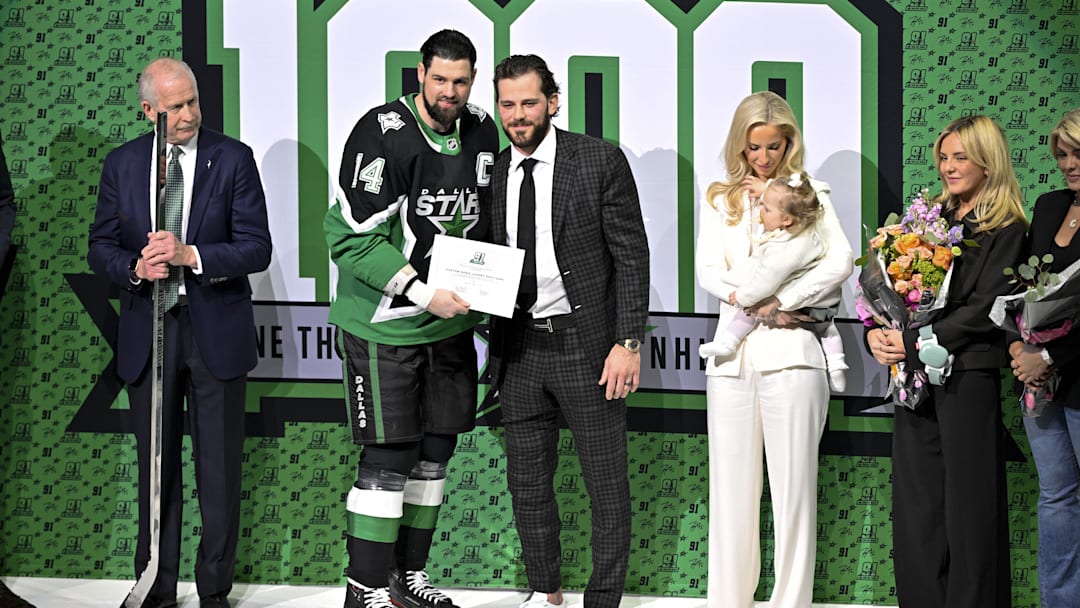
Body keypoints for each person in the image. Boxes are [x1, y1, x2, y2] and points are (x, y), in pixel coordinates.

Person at [87, 58, 272, 608]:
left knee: (218, 474)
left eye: (192, 101)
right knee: (157, 471)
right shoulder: (122, 165)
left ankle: (215, 590)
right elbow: (100, 248)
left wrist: (192, 255)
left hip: (214, 329)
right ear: (149, 110)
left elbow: (256, 247)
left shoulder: (232, 158)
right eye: (175, 107)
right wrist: (134, 269)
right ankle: (156, 587)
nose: (189, 114)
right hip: (151, 333)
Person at [323, 29, 498, 608]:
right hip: (383, 326)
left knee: (435, 451)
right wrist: (422, 293)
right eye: (440, 79)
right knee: (388, 455)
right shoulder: (381, 133)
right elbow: (348, 240)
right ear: (420, 73)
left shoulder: (480, 131)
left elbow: (484, 228)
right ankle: (364, 587)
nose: (450, 92)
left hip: (448, 328)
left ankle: (407, 577)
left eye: (462, 81)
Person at [484, 54, 648, 608]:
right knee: (527, 486)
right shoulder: (490, 172)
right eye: (508, 104)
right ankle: (544, 592)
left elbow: (632, 258)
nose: (518, 115)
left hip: (589, 347)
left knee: (606, 487)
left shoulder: (598, 160)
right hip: (520, 347)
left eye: (529, 103)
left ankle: (603, 600)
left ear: (552, 102)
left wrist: (628, 344)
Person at [695, 90, 852, 608]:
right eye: (754, 147)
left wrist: (783, 302)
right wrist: (753, 300)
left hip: (795, 358)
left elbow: (840, 263)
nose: (763, 158)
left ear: (790, 143)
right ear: (739, 144)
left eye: (774, 147)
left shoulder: (811, 194)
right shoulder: (720, 199)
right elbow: (707, 272)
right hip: (731, 361)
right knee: (731, 497)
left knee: (794, 498)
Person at [867, 114, 1026, 607]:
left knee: (970, 508)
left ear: (987, 161)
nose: (948, 166)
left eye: (960, 157)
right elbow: (887, 286)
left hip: (968, 378)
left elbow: (987, 310)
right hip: (915, 381)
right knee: (918, 505)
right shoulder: (927, 222)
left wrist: (914, 342)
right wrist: (880, 332)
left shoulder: (1010, 227)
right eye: (943, 157)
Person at [1008, 108, 1080, 608]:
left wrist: (1051, 354)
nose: (1068, 164)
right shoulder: (1050, 205)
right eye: (1062, 154)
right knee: (1056, 498)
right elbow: (1023, 288)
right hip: (1040, 382)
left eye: (1078, 154)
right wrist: (1017, 343)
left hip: (1069, 372)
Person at [698, 171, 849, 391]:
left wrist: (744, 296)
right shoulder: (792, 230)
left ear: (787, 218)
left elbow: (764, 280)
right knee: (827, 329)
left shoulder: (787, 245)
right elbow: (709, 273)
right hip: (816, 308)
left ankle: (727, 342)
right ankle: (837, 365)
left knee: (752, 309)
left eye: (766, 209)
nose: (761, 211)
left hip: (797, 339)